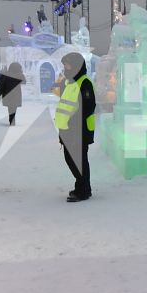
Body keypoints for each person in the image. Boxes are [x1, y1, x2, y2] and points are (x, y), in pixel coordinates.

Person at [56, 51, 96, 202]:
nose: (65, 67)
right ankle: (82, 186)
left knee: (78, 160)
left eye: (68, 64)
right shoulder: (70, 82)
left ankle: (83, 190)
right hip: (67, 129)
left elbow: (88, 106)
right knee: (71, 159)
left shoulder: (84, 83)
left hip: (79, 130)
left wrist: (73, 123)